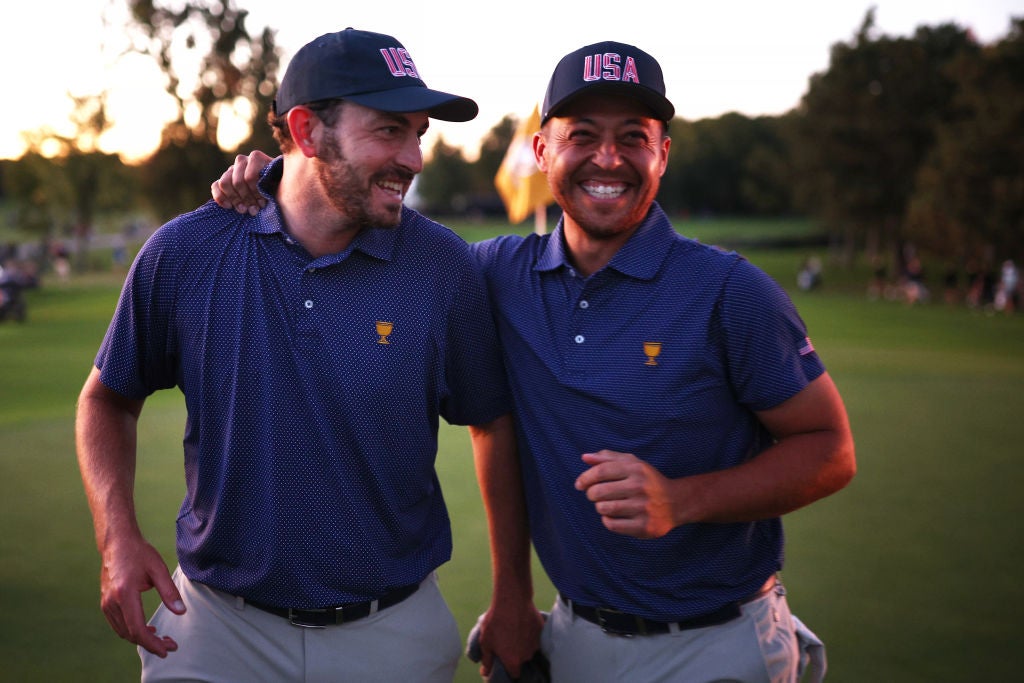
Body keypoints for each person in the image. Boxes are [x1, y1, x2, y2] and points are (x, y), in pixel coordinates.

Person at [213, 40, 856, 683]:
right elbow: (332, 199)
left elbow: (831, 449)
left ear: (663, 153)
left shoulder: (729, 291)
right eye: (582, 135)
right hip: (573, 639)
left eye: (634, 136)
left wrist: (683, 500)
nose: (608, 158)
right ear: (543, 151)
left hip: (719, 643)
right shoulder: (494, 273)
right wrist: (280, 175)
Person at [76, 27, 516, 683]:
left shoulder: (444, 268)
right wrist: (115, 534)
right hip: (216, 632)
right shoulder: (185, 253)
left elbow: (492, 420)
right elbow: (107, 399)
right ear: (308, 131)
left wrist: (511, 590)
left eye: (419, 134)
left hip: (392, 634)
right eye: (391, 131)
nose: (415, 158)